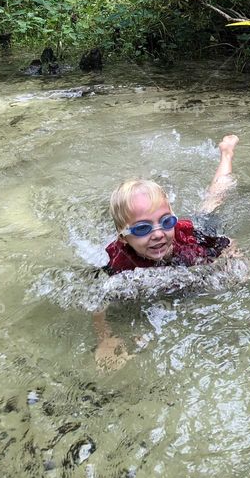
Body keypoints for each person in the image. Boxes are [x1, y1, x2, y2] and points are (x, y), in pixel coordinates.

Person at [94, 134, 239, 370]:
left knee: (212, 202)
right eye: (143, 228)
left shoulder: (189, 238)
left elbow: (229, 243)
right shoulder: (120, 263)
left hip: (194, 233)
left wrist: (236, 264)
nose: (158, 234)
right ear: (123, 237)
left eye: (165, 221)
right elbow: (98, 301)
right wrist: (105, 337)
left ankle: (226, 153)